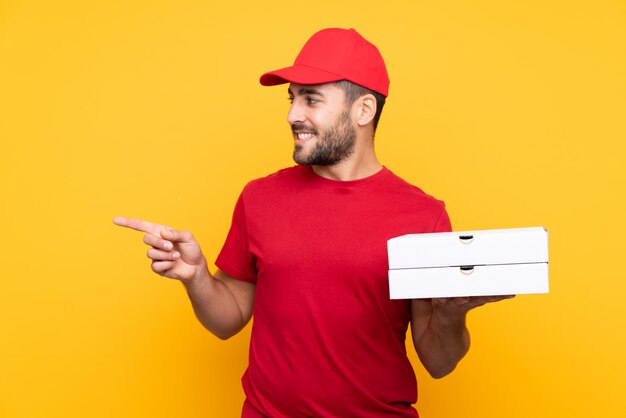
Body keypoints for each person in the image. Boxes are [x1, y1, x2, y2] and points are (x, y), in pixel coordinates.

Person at [114, 28, 513, 417]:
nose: (292, 114)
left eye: (311, 100)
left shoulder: (422, 215)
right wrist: (197, 276)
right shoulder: (259, 199)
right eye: (291, 99)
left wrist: (451, 313)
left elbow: (439, 363)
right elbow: (227, 319)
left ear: (364, 110)